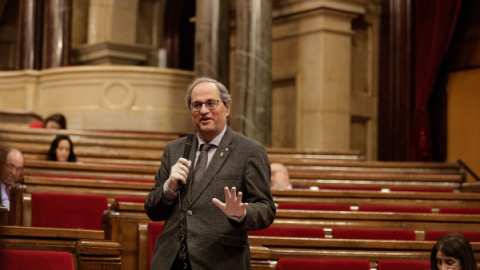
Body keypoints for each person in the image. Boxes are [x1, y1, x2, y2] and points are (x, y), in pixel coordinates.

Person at [145, 77, 276, 270]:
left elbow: (266, 208)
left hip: (220, 261)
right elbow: (152, 211)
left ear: (227, 108)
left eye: (211, 103)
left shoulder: (249, 151)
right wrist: (169, 188)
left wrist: (242, 213)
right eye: (196, 105)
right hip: (170, 260)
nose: (204, 111)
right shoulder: (175, 150)